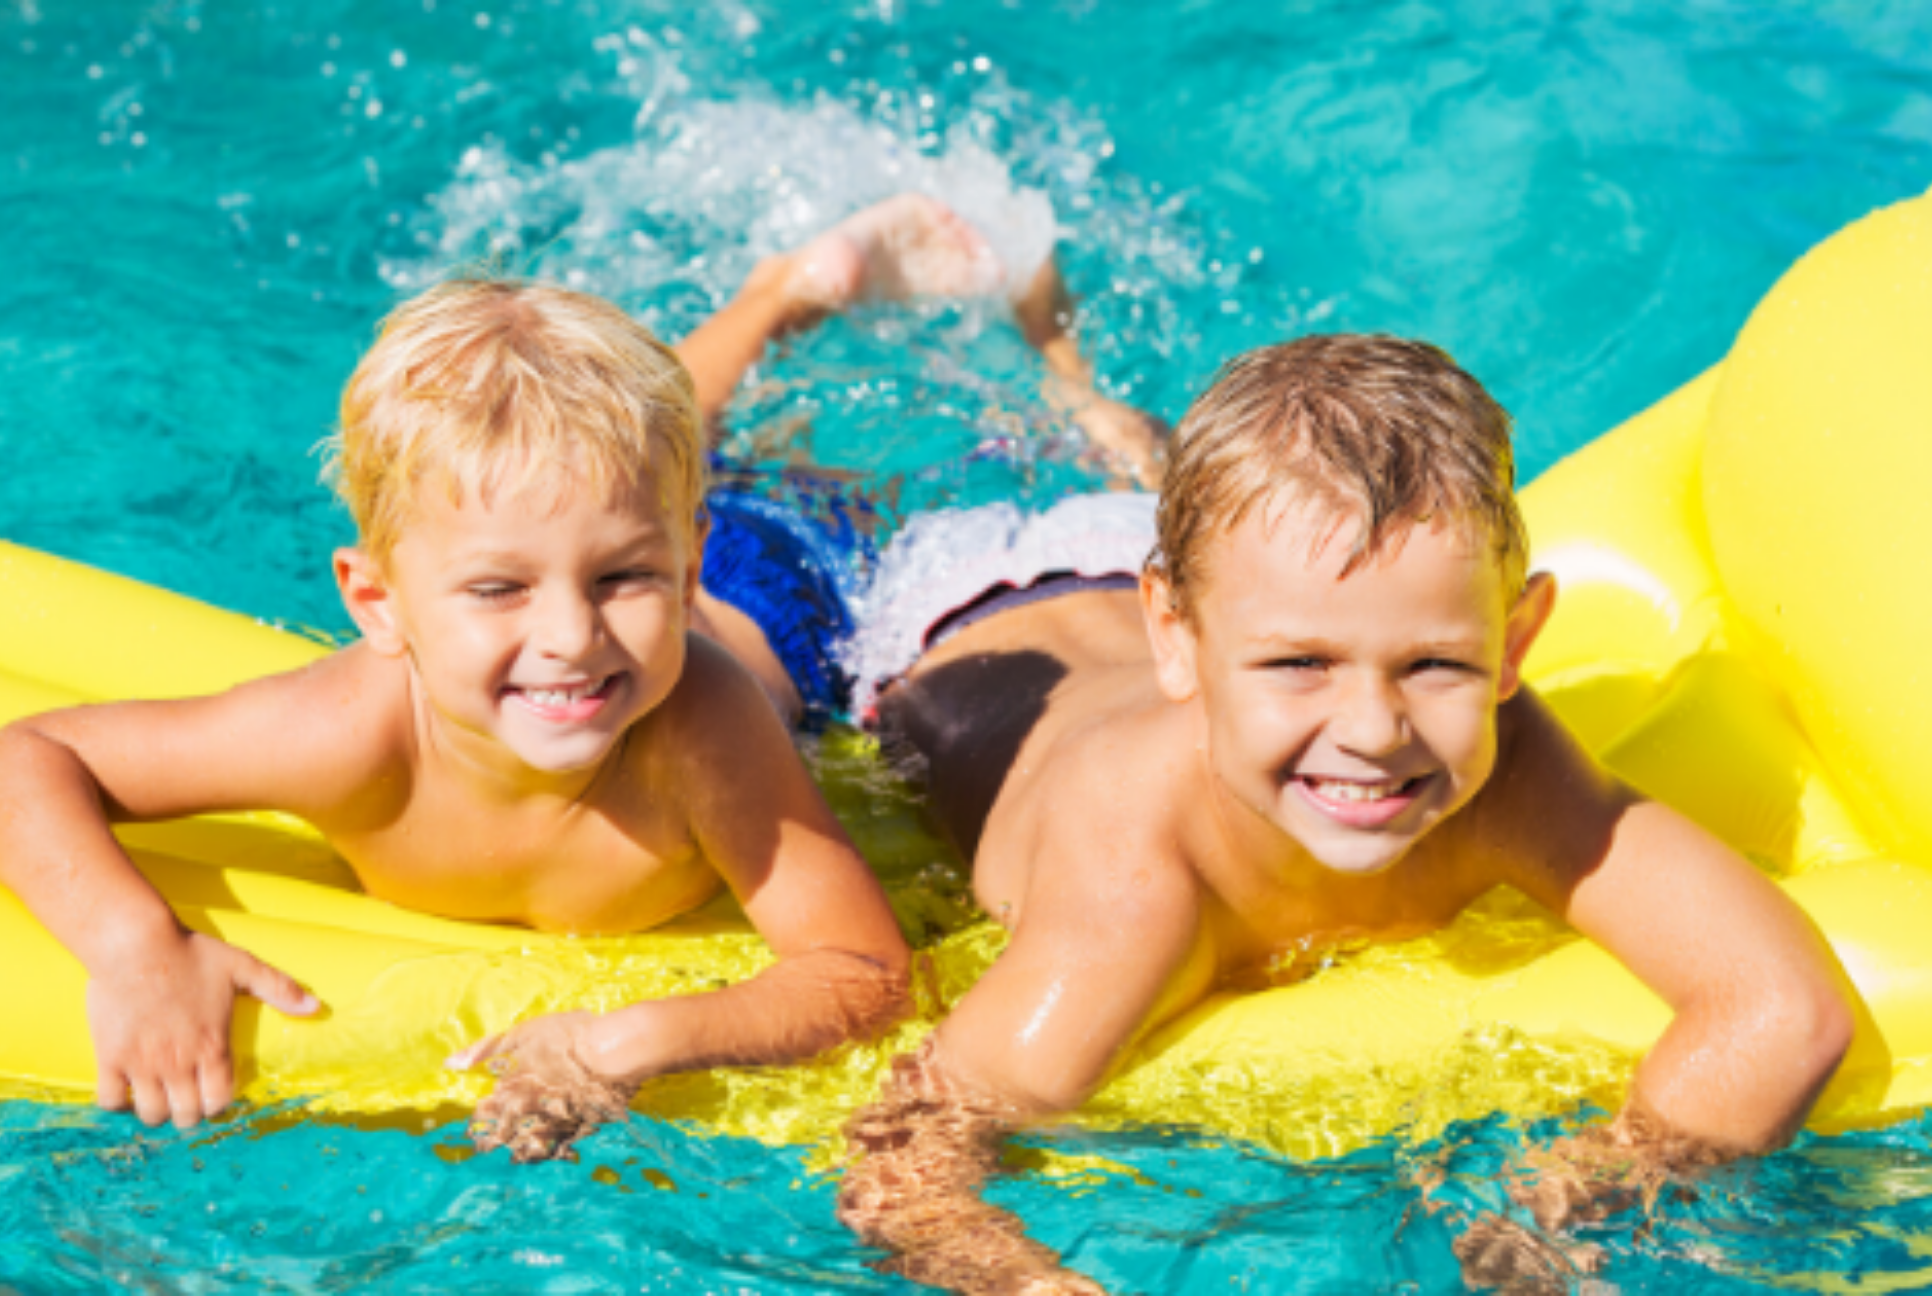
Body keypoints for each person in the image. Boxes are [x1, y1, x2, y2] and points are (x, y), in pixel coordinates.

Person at [816, 335, 1858, 1292]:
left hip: (1246, 568)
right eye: (1303, 668)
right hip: (960, 621)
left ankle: (1103, 417)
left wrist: (1562, 1204)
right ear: (1178, 637)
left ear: (1515, 642)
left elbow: (1784, 1009)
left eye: (1435, 664)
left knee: (1163, 482)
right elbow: (904, 1162)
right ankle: (1029, 351)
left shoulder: (1514, 769)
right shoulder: (1134, 887)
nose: (1372, 729)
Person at [0, 249, 943, 1157]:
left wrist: (622, 1044)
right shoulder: (348, 732)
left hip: (783, 599)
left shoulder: (700, 731)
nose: (572, 635)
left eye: (624, 580)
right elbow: (29, 757)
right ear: (377, 603)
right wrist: (135, 949)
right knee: (632, 477)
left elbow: (865, 973)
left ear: (681, 573)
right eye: (499, 590)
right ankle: (774, 296)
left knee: (727, 475)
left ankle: (779, 300)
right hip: (662, 526)